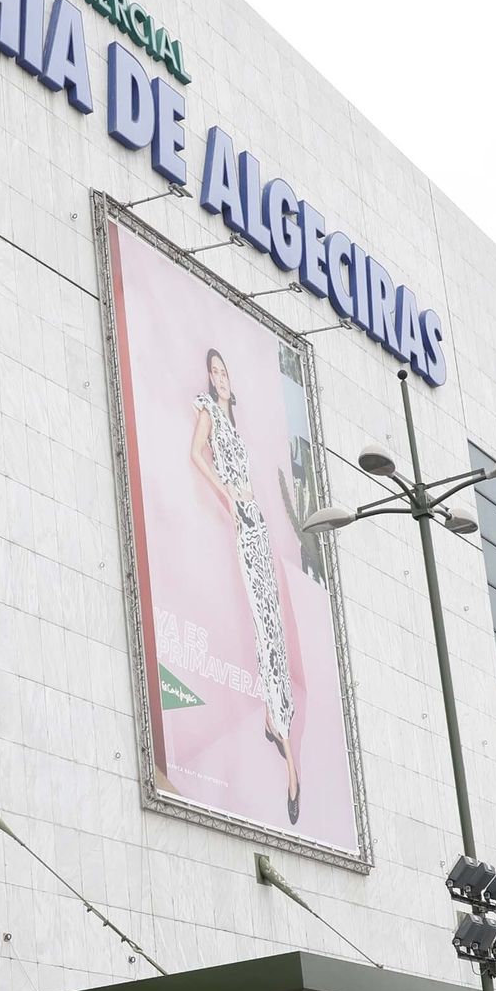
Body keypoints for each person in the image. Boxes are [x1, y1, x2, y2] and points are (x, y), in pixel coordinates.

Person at [190, 348, 301, 821]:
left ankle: (274, 721)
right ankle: (289, 755)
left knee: (273, 625)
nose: (218, 377)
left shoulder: (234, 420)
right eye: (213, 371)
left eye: (223, 370)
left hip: (259, 523)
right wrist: (228, 495)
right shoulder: (210, 411)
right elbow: (196, 455)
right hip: (244, 523)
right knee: (264, 624)